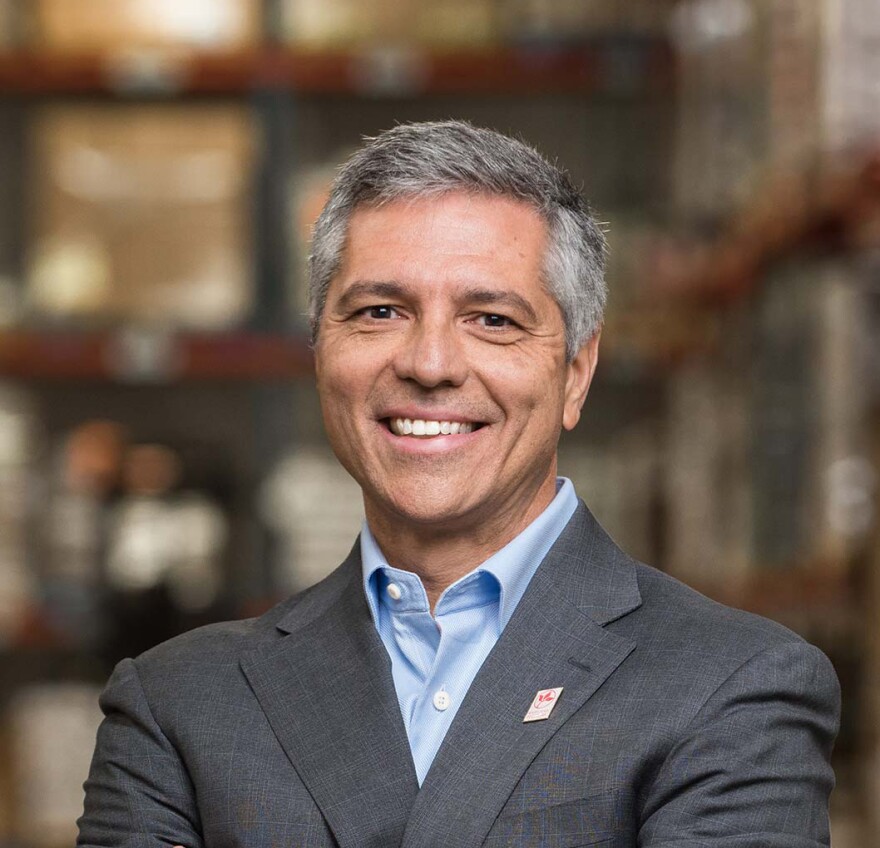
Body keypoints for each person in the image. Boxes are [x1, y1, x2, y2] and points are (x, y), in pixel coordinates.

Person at [78, 121, 839, 847]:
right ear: (320, 352)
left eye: (493, 320)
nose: (431, 363)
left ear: (576, 372)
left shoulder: (734, 685)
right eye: (380, 311)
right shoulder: (177, 705)